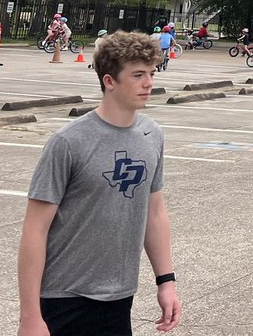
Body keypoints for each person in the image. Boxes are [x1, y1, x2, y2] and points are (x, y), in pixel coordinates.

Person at [17, 31, 181, 336]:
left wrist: (166, 282)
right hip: (64, 297)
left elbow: (154, 212)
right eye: (138, 75)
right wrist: (30, 316)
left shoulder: (152, 135)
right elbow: (34, 229)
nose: (149, 83)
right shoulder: (68, 142)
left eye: (151, 73)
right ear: (109, 81)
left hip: (119, 297)